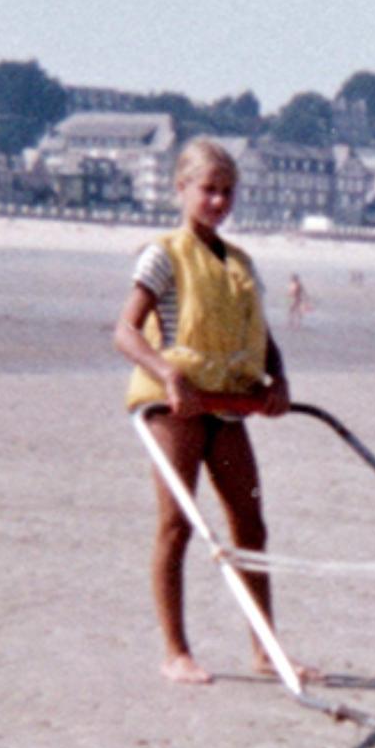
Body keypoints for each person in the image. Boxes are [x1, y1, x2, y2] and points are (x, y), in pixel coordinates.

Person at [114, 139, 315, 687]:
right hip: (176, 406)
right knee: (177, 524)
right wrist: (168, 373)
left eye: (227, 192)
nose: (219, 202)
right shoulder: (162, 255)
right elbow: (124, 331)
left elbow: (262, 336)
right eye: (208, 191)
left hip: (228, 406)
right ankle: (176, 651)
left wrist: (277, 380)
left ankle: (264, 648)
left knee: (250, 522)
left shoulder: (241, 262)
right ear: (181, 190)